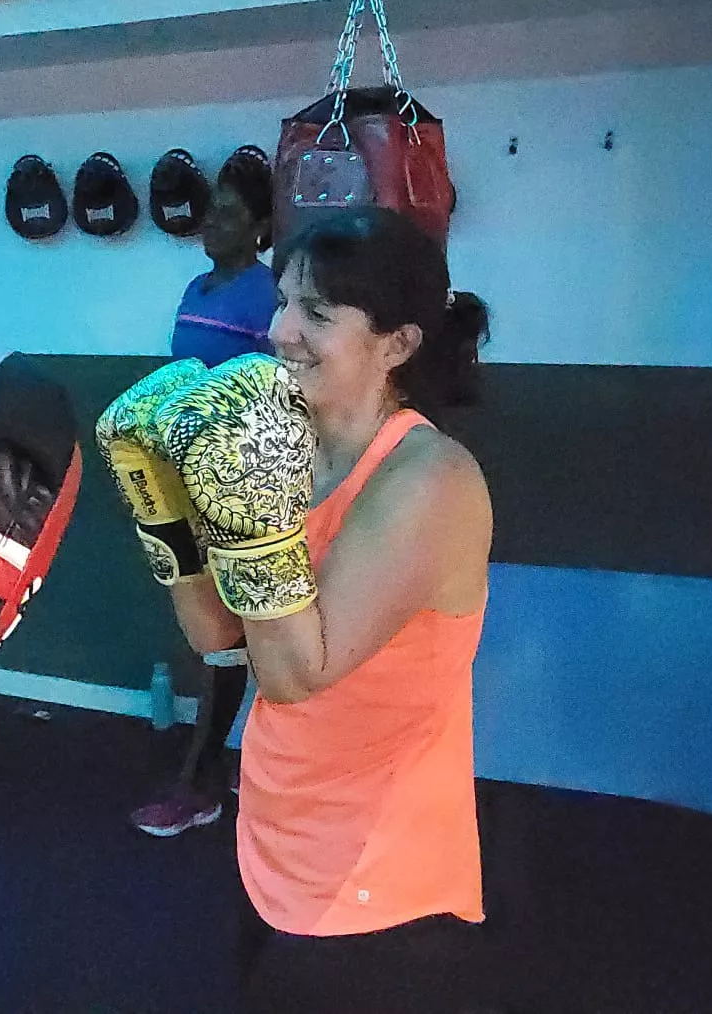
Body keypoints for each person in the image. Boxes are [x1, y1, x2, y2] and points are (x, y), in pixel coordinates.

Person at [163, 207, 494, 1010]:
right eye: (282, 302)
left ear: (398, 344)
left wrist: (249, 513)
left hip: (377, 875)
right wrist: (162, 508)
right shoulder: (291, 447)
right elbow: (217, 636)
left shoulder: (429, 483)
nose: (279, 331)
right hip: (276, 831)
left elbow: (290, 677)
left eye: (317, 313)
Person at [127, 146, 280, 838]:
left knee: (230, 638)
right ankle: (210, 775)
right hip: (180, 476)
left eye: (228, 214)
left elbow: (271, 393)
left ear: (260, 225)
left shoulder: (269, 293)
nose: (210, 226)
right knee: (204, 631)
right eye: (209, 213)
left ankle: (202, 779)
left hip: (238, 478)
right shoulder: (197, 289)